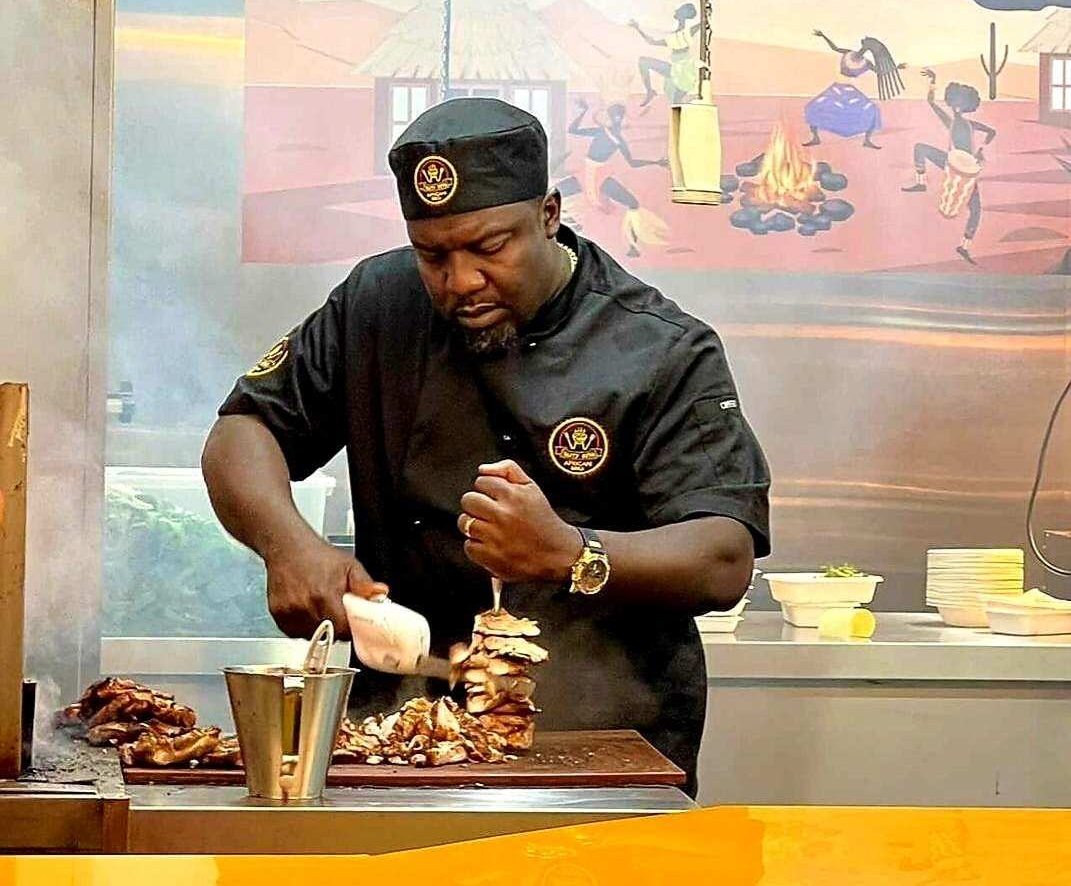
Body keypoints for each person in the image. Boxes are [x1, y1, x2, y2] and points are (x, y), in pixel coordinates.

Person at [201, 98, 770, 795]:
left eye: (490, 247)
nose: (460, 281)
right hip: (402, 735)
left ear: (549, 214)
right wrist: (287, 544)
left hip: (603, 746)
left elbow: (721, 557)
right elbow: (243, 430)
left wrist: (571, 552)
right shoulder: (377, 306)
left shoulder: (659, 347)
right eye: (432, 254)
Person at [902, 70, 996, 267]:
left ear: (960, 105)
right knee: (976, 210)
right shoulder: (956, 121)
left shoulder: (962, 122)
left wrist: (980, 152)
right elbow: (932, 103)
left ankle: (964, 246)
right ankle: (964, 245)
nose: (953, 107)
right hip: (953, 162)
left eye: (955, 103)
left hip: (965, 169)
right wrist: (933, 82)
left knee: (976, 209)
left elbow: (991, 132)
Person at [559, 99, 672, 259]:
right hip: (585, 173)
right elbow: (573, 130)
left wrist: (656, 162)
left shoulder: (618, 140)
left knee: (633, 203)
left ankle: (633, 245)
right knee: (556, 193)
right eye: (615, 115)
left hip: (601, 175)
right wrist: (583, 111)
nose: (617, 119)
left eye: (619, 116)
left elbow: (632, 163)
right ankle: (568, 222)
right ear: (611, 117)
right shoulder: (601, 131)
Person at [804, 31, 906, 150]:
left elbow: (880, 72)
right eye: (865, 45)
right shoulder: (848, 53)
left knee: (873, 110)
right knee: (814, 107)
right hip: (836, 88)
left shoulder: (867, 63)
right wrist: (823, 36)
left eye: (868, 46)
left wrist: (896, 68)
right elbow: (835, 48)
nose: (864, 47)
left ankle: (867, 140)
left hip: (850, 91)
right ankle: (816, 137)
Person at [629, 4, 701, 108]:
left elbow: (704, 22)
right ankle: (650, 92)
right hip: (677, 70)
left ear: (683, 14)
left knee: (676, 104)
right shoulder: (676, 34)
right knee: (676, 104)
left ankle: (651, 92)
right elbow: (652, 42)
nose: (675, 11)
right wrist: (638, 28)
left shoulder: (687, 31)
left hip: (683, 72)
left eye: (678, 10)